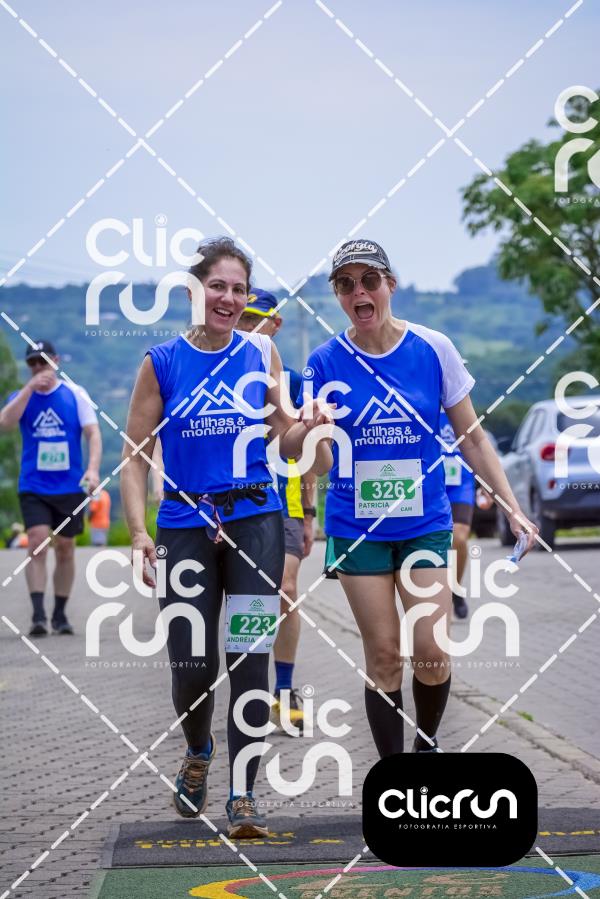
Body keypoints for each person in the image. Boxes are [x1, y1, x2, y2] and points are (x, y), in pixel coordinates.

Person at [120, 238, 331, 837]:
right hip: (183, 523)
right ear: (195, 291)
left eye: (239, 289)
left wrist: (309, 428)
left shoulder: (261, 353)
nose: (229, 298)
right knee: (191, 664)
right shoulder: (162, 361)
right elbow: (134, 456)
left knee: (248, 658)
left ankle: (243, 794)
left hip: (255, 519)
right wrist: (137, 533)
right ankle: (198, 749)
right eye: (218, 286)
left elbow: (284, 441)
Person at [302, 239, 538, 756]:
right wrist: (317, 433)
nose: (359, 292)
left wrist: (513, 507)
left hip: (424, 522)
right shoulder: (324, 363)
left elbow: (472, 438)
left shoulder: (433, 348)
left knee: (431, 653)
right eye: (346, 284)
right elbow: (316, 465)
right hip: (357, 527)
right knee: (385, 656)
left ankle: (426, 747)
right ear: (338, 295)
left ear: (390, 285)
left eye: (370, 281)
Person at [237, 289, 317, 733]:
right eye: (242, 319)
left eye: (255, 319)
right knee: (247, 602)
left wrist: (309, 511)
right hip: (237, 504)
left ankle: (284, 691)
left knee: (285, 590)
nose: (247, 327)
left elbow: (306, 450)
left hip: (285, 504)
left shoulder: (295, 382)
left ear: (276, 324)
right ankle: (248, 692)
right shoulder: (228, 370)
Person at [0, 339, 101, 636]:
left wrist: (93, 469)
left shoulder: (75, 394)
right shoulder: (21, 396)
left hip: (69, 486)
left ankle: (59, 613)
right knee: (37, 541)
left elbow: (93, 433)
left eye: (42, 361)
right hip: (34, 484)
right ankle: (38, 615)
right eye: (32, 363)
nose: (38, 367)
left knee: (66, 548)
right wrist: (29, 389)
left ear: (55, 362)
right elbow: (5, 423)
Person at [439, 407, 475, 619]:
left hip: (461, 483)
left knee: (459, 537)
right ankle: (443, 592)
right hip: (433, 481)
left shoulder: (459, 405)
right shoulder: (420, 402)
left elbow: (477, 445)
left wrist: (486, 488)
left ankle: (455, 588)